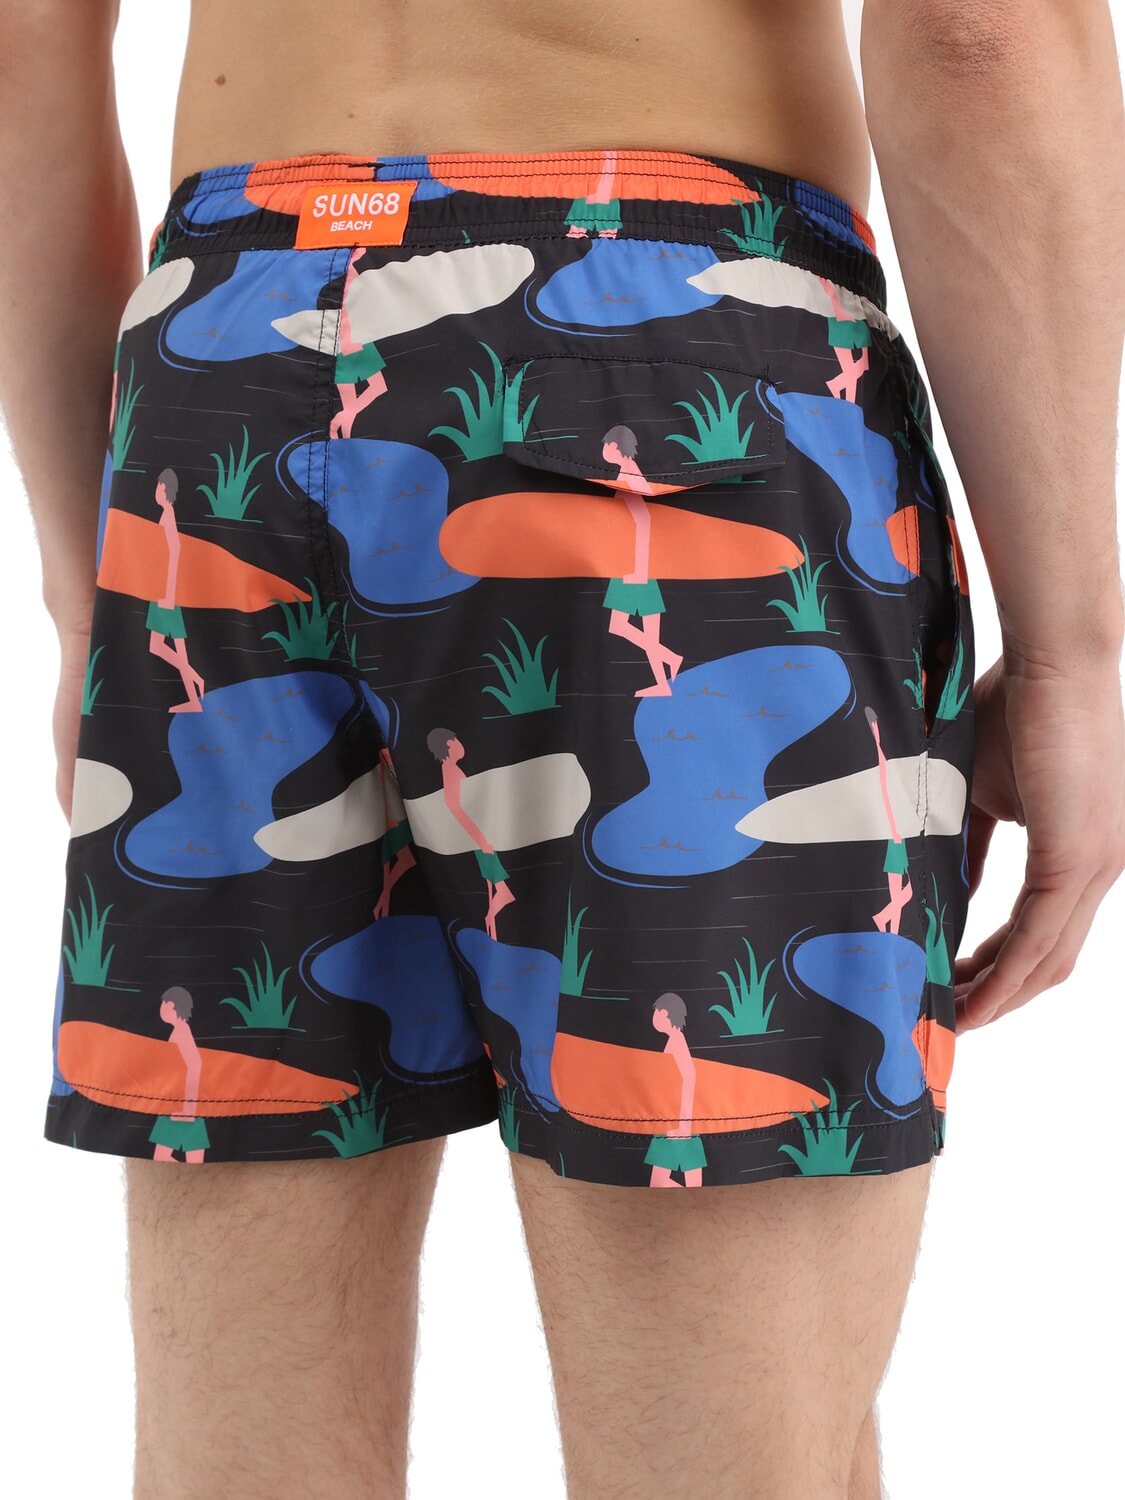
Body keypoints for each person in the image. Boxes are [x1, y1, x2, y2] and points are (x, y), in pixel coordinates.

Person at [1, 4, 1123, 1499]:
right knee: (734, 1454)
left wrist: (93, 591)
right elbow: (979, 30)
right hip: (656, 354)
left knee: (236, 1445)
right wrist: (1070, 655)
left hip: (220, 370)